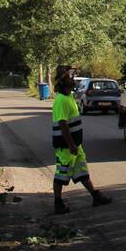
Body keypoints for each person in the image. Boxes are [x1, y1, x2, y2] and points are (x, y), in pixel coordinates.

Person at [51, 65, 112, 214]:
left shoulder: (68, 97)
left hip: (75, 145)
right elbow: (62, 123)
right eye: (69, 78)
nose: (73, 80)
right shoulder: (61, 100)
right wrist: (71, 144)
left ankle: (95, 196)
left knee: (81, 171)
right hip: (66, 146)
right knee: (61, 174)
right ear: (63, 83)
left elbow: (64, 72)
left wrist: (69, 68)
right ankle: (58, 204)